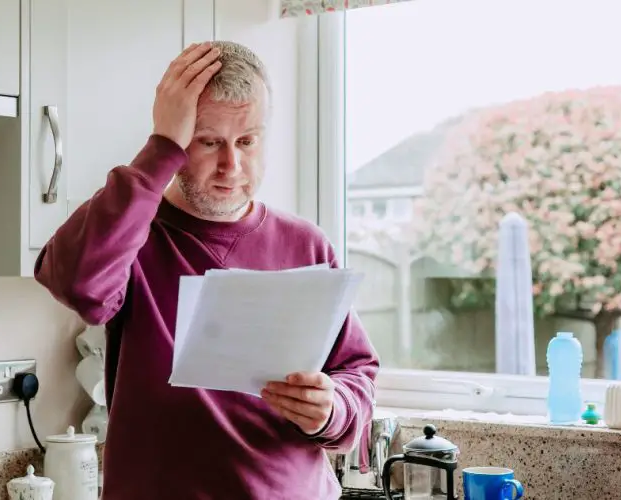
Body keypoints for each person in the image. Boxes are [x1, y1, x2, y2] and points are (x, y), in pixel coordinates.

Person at [35, 40, 379, 500]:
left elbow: (356, 373)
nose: (231, 166)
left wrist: (332, 409)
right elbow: (78, 284)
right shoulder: (135, 233)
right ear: (178, 139)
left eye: (248, 141)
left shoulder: (307, 244)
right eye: (209, 141)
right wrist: (159, 149)